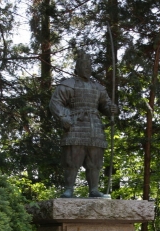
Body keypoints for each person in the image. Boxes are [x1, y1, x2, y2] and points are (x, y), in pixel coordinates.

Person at [49, 50, 118, 198]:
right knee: (72, 159)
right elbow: (55, 103)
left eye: (89, 65)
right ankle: (69, 188)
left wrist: (111, 108)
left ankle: (94, 189)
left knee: (95, 160)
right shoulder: (68, 85)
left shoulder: (98, 88)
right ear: (77, 67)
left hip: (94, 126)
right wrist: (63, 118)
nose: (87, 68)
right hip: (76, 124)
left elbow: (105, 105)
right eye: (84, 65)